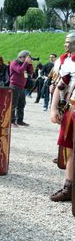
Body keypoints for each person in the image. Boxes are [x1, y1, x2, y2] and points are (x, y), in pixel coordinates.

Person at [49, 33, 75, 202]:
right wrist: (53, 109)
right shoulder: (69, 63)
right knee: (72, 149)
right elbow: (61, 86)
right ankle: (69, 187)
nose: (66, 45)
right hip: (73, 108)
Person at [8, 50, 33, 127]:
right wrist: (26, 63)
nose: (28, 58)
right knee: (13, 104)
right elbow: (20, 70)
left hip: (22, 87)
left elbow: (31, 72)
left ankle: (20, 120)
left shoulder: (24, 64)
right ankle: (11, 121)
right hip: (14, 86)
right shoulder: (14, 62)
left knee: (21, 104)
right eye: (27, 57)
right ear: (21, 57)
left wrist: (30, 64)